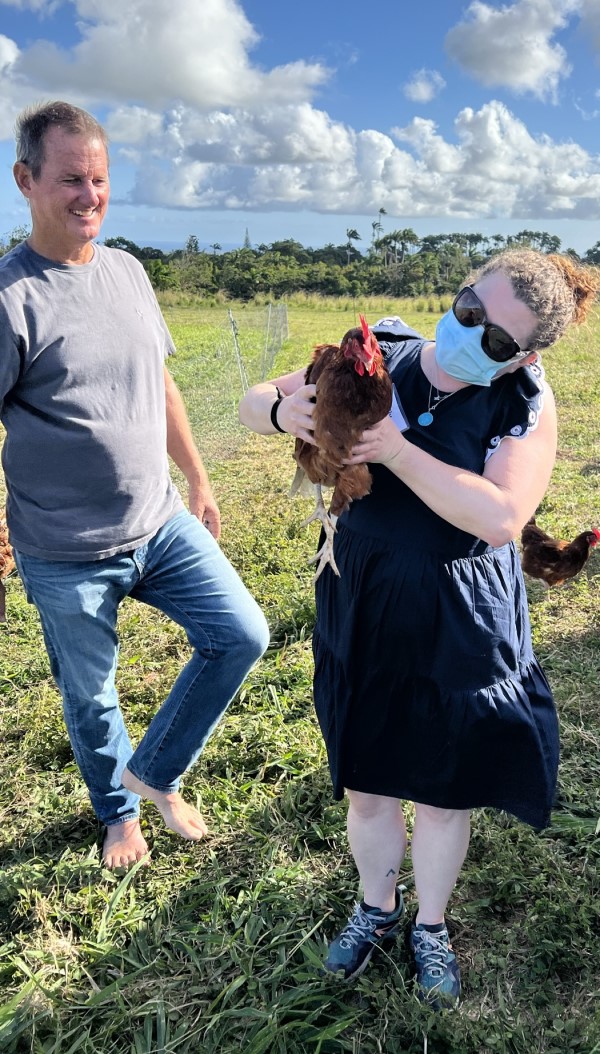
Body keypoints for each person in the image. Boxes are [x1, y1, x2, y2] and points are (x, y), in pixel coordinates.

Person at [239, 249, 598, 1007]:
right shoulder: (381, 354)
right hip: (360, 595)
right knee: (367, 783)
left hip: (458, 612)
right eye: (471, 311)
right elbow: (251, 401)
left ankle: (429, 923)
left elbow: (501, 517)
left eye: (498, 339)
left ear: (525, 354)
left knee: (440, 791)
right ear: (460, 292)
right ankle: (377, 906)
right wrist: (283, 410)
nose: (473, 334)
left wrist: (398, 451)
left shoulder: (523, 400)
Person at [0, 101, 269, 870]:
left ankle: (152, 774)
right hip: (64, 549)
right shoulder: (10, 298)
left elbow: (162, 386)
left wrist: (198, 475)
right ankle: (119, 817)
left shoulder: (127, 271)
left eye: (100, 179)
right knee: (91, 697)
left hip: (158, 522)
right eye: (69, 180)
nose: (90, 196)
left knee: (241, 633)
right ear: (25, 180)